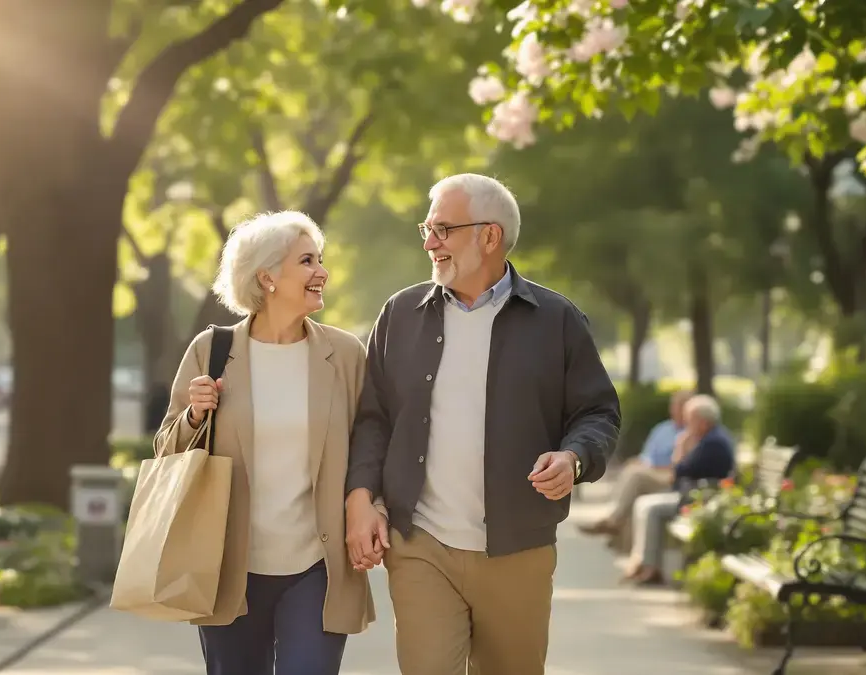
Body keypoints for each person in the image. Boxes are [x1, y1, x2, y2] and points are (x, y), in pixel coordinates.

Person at [344, 173, 621, 675]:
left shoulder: (557, 320)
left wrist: (574, 457)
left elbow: (597, 412)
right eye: (427, 229)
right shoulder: (400, 315)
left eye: (443, 230)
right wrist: (361, 497)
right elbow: (373, 419)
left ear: (489, 236)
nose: (430, 243)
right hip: (421, 543)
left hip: (519, 548)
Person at [154, 210, 374, 675]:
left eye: (319, 260)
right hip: (229, 566)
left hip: (317, 566)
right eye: (307, 261)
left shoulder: (346, 355)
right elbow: (166, 454)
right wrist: (195, 414)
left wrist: (370, 506)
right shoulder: (211, 351)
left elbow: (370, 441)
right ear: (267, 277)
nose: (322, 273)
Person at [625, 393, 735, 586]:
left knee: (651, 509)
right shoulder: (710, 439)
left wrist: (681, 446)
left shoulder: (712, 443)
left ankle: (650, 567)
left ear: (703, 421)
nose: (686, 423)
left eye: (690, 419)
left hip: (701, 498)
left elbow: (679, 471)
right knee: (645, 504)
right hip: (695, 494)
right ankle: (646, 564)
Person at [578, 389, 691, 545]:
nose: (675, 410)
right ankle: (618, 533)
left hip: (669, 476)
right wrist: (640, 462)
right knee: (632, 470)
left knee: (635, 476)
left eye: (679, 407)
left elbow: (682, 465)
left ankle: (613, 521)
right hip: (651, 471)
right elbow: (647, 455)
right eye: (674, 406)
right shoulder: (663, 429)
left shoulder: (690, 434)